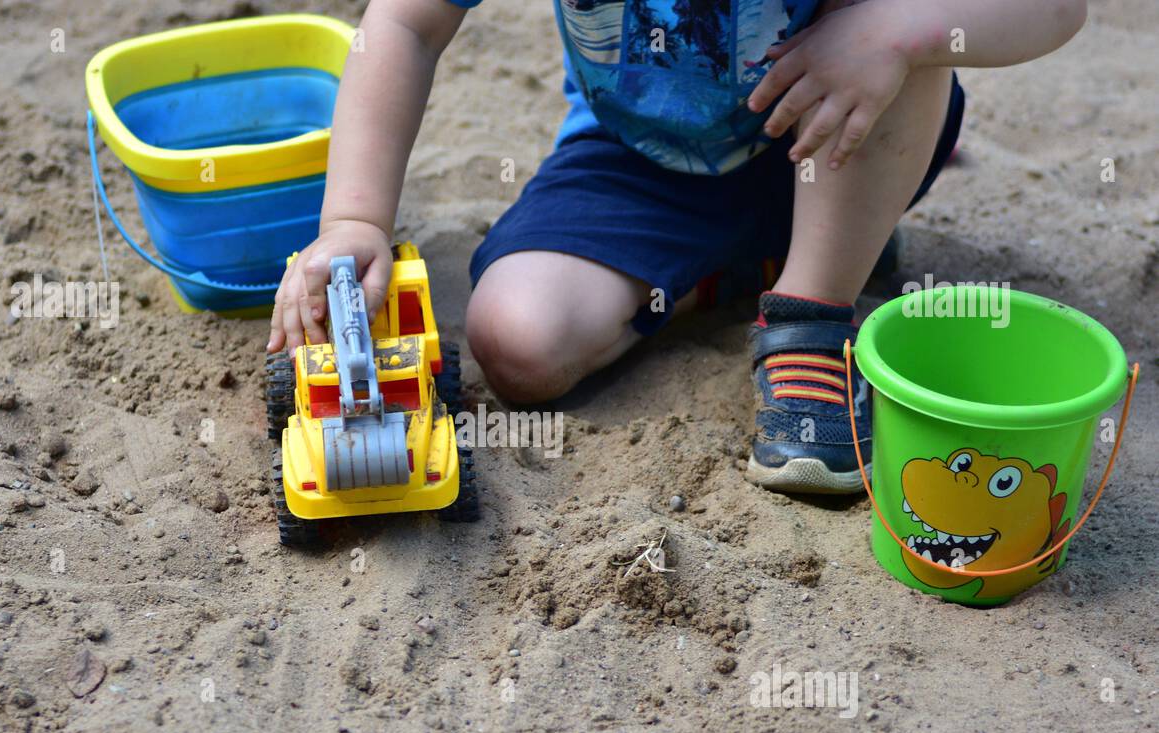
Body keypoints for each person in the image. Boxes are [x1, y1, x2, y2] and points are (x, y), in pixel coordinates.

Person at [268, 0, 1089, 494]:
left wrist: (900, 33)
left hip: (839, 137)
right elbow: (404, 27)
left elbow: (1059, 9)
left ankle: (811, 313)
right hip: (637, 164)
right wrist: (354, 220)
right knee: (518, 341)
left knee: (898, 14)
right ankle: (744, 266)